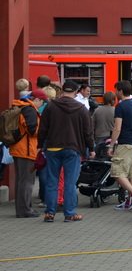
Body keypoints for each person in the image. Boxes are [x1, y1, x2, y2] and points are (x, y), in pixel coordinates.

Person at [37, 80, 93, 222]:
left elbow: (43, 128)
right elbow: (88, 132)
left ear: (62, 91)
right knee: (70, 182)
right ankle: (69, 213)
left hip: (52, 148)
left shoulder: (50, 106)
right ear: (75, 92)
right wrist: (91, 148)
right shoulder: (81, 109)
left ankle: (50, 213)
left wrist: (39, 144)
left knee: (52, 182)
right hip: (73, 148)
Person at [9, 88, 46, 217]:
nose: (42, 105)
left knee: (21, 180)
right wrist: (42, 131)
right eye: (42, 102)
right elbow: (32, 130)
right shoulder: (30, 110)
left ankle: (22, 209)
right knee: (27, 181)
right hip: (27, 150)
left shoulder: (20, 106)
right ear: (37, 100)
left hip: (18, 149)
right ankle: (25, 210)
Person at [109, 80, 132, 211]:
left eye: (116, 90)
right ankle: (129, 202)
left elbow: (117, 128)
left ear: (120, 91)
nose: (115, 93)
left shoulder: (120, 106)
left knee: (117, 172)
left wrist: (111, 145)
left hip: (125, 143)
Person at [92, 91, 116, 159]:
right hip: (111, 138)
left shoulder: (97, 110)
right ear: (113, 100)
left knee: (99, 158)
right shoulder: (116, 110)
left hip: (99, 137)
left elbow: (92, 126)